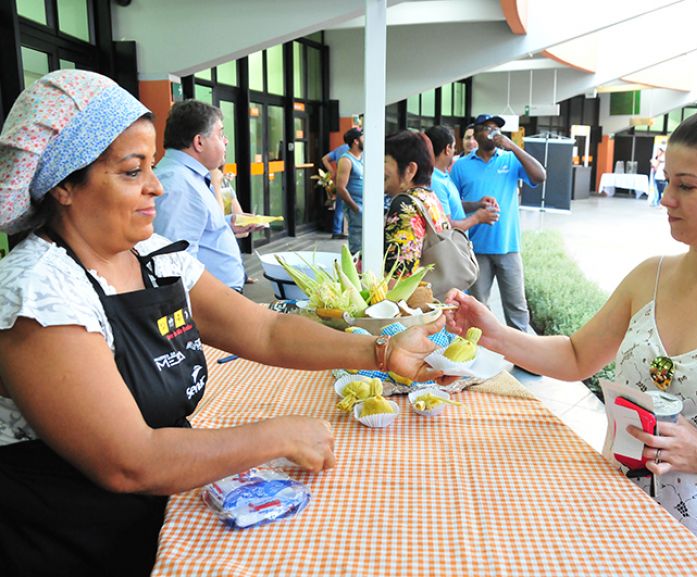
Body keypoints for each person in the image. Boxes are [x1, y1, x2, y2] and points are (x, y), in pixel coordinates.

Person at [0, 70, 449, 577]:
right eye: (131, 171)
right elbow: (129, 460)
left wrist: (381, 351)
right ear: (63, 186)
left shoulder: (151, 256)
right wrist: (275, 436)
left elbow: (264, 330)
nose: (156, 187)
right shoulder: (37, 291)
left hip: (157, 506)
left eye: (151, 165)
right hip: (73, 536)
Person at [445, 101, 697, 577]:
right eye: (668, 181)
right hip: (619, 521)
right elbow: (577, 355)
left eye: (687, 186)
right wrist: (494, 333)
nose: (665, 198)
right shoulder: (650, 276)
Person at [450, 113, 546, 333]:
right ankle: (483, 354)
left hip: (508, 246)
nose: (494, 133)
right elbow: (453, 207)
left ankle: (523, 355)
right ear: (475, 132)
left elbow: (540, 176)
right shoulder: (461, 166)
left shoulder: (510, 159)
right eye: (488, 128)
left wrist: (514, 147)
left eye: (497, 129)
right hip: (476, 248)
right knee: (478, 307)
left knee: (516, 306)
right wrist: (476, 205)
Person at [153, 100, 258, 292]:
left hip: (223, 300)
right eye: (220, 134)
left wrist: (228, 223)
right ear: (199, 142)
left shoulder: (190, 176)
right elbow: (176, 264)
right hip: (211, 306)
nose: (226, 140)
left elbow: (196, 228)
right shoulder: (177, 184)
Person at [383, 130, 450, 277]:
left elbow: (399, 275)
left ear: (410, 170)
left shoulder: (405, 205)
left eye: (385, 161)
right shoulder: (428, 197)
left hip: (409, 298)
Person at [425, 125, 499, 232]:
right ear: (447, 149)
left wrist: (478, 204)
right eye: (454, 147)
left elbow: (452, 207)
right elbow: (445, 225)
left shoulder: (443, 175)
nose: (455, 151)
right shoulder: (435, 182)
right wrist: (477, 218)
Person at [336, 127, 364, 255]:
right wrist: (355, 208)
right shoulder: (346, 160)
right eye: (363, 137)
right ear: (356, 141)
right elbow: (340, 188)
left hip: (366, 206)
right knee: (357, 244)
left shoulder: (363, 158)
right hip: (357, 207)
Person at [321, 142, 350, 239]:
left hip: (340, 178)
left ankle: (336, 231)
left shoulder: (340, 148)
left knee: (340, 206)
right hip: (352, 179)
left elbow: (325, 159)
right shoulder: (355, 150)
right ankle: (346, 231)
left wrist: (332, 171)